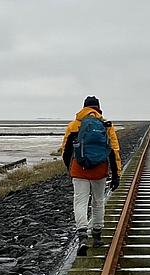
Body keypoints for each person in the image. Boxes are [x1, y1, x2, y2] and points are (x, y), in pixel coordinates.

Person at [61, 96, 121, 256]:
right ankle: (97, 236)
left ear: (84, 108)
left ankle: (82, 237)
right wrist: (116, 174)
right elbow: (114, 151)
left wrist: (70, 169)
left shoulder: (74, 125)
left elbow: (65, 151)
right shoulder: (106, 125)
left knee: (80, 202)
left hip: (79, 170)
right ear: (98, 108)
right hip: (100, 171)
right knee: (98, 202)